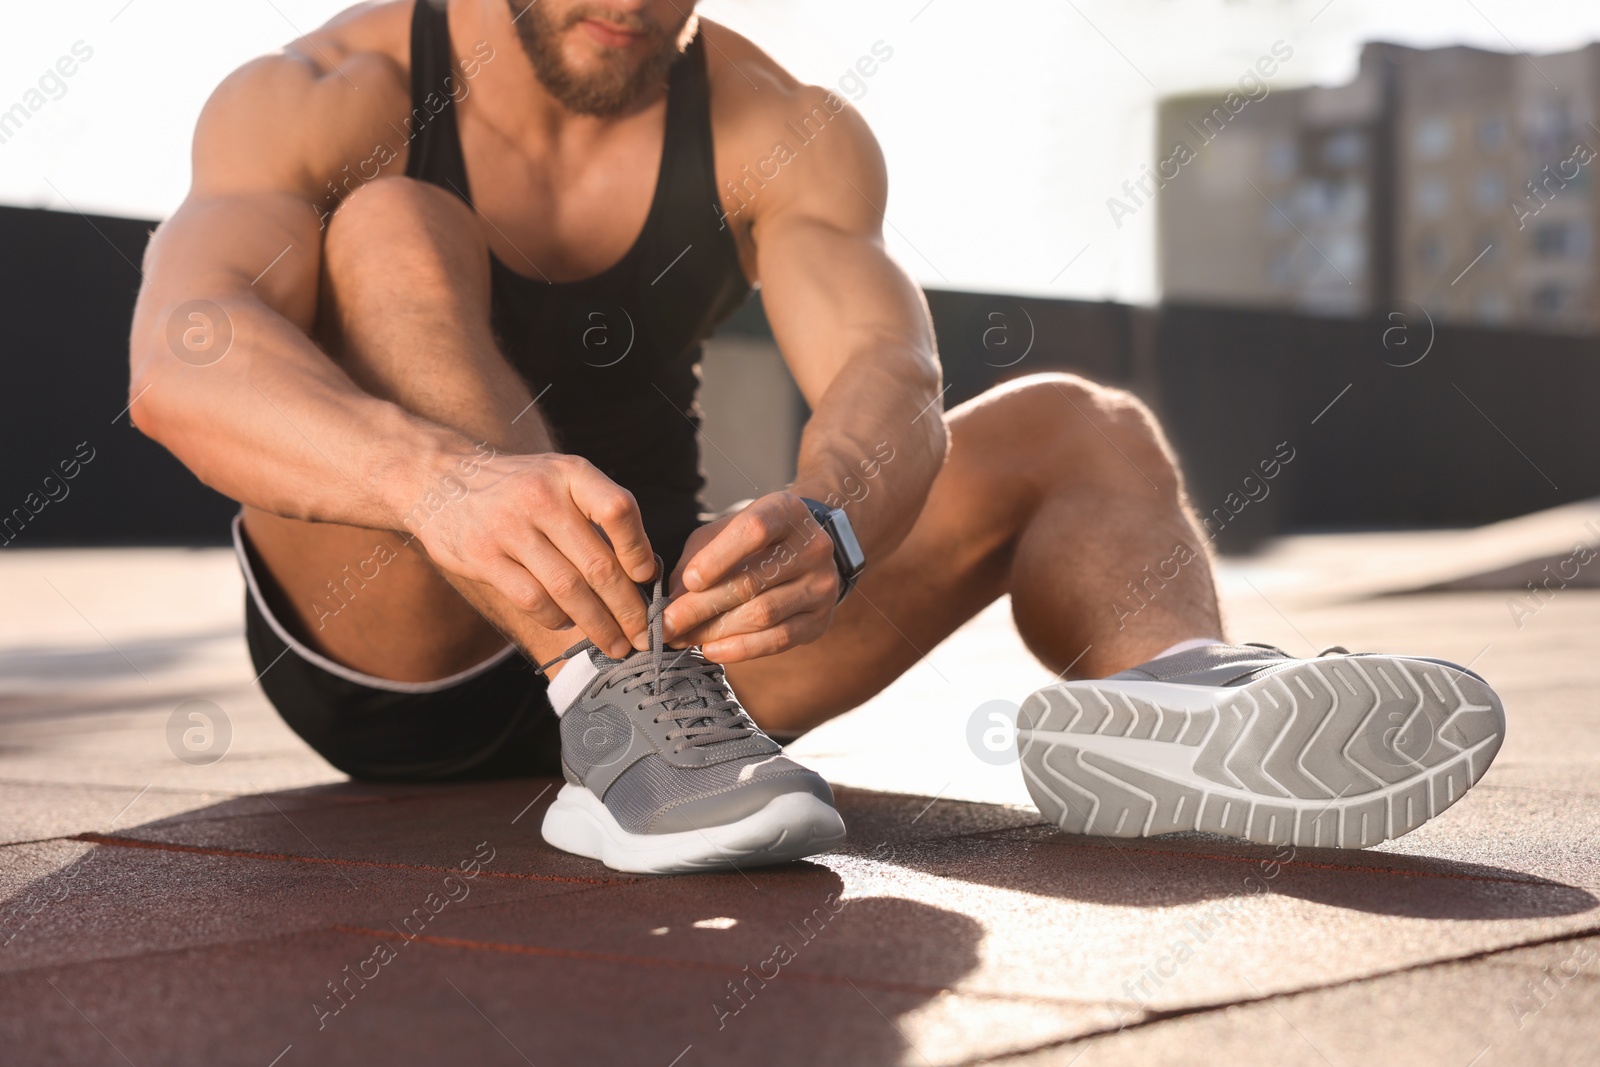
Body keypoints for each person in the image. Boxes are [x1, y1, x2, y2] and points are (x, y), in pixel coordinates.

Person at [128, 0, 1505, 873]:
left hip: (690, 661)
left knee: (1081, 427)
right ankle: (599, 698)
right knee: (389, 221)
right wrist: (442, 484)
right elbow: (180, 368)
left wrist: (835, 513)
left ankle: (1179, 704)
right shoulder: (324, 89)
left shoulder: (777, 124)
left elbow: (884, 367)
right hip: (400, 643)